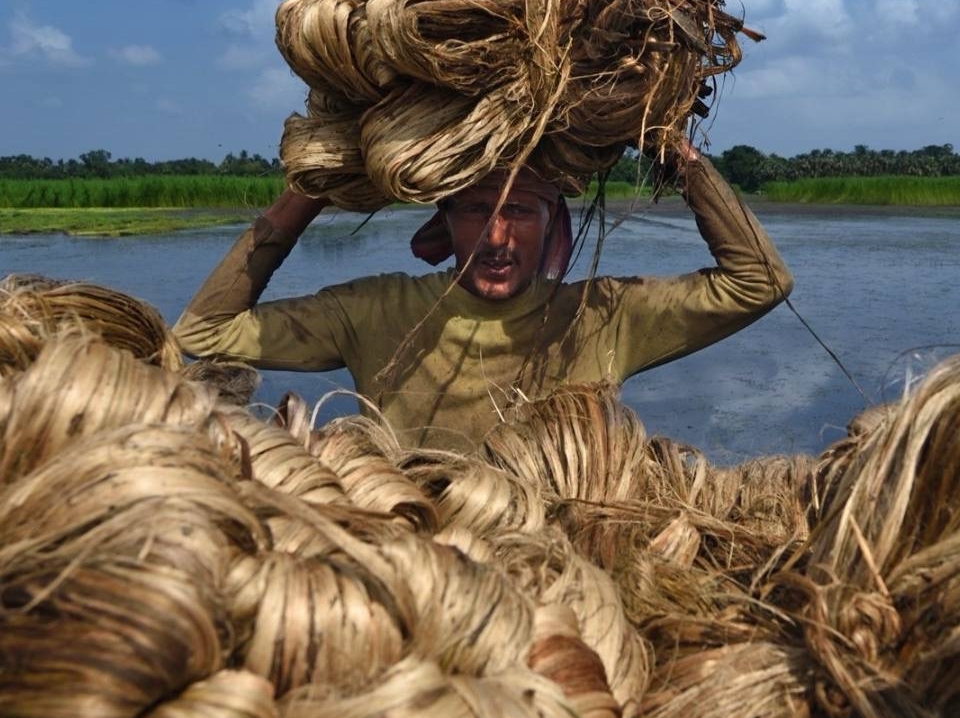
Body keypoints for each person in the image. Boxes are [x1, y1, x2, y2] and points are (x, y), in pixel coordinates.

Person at [174, 144, 793, 450]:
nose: (497, 237)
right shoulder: (374, 310)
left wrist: (682, 160)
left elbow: (760, 282)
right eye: (475, 211)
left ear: (554, 220)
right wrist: (309, 190)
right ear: (445, 220)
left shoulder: (600, 315)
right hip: (419, 565)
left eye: (519, 211)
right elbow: (201, 336)